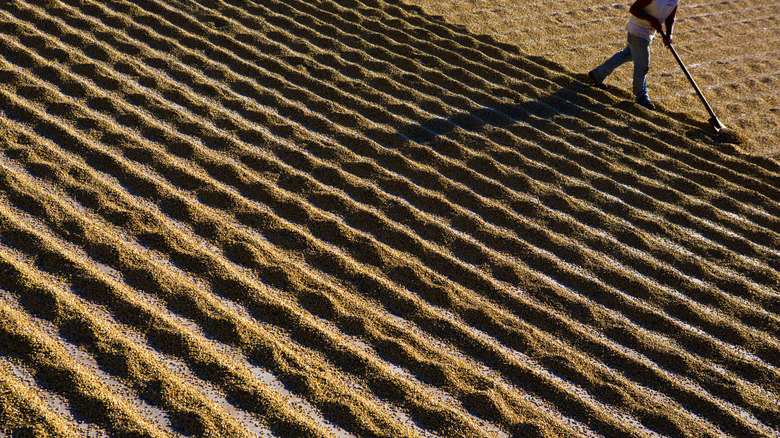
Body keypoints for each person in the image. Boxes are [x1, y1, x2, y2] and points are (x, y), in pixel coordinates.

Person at [588, 0, 679, 110]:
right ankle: (642, 96)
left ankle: (598, 73)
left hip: (648, 34)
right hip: (637, 30)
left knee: (627, 55)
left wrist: (669, 34)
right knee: (642, 65)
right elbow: (634, 9)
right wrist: (651, 20)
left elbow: (671, 17)